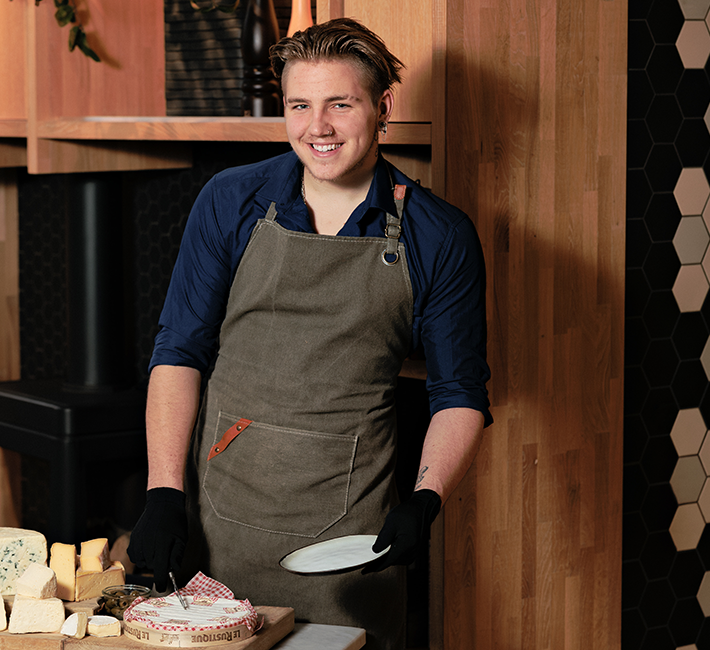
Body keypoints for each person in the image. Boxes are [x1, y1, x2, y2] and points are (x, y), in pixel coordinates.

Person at [126, 18, 491, 650]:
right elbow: (179, 351)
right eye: (300, 105)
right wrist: (164, 494)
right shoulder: (230, 200)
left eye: (339, 105)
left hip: (350, 537)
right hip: (219, 519)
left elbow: (459, 393)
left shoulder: (439, 235)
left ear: (383, 108)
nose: (317, 128)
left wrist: (425, 501)